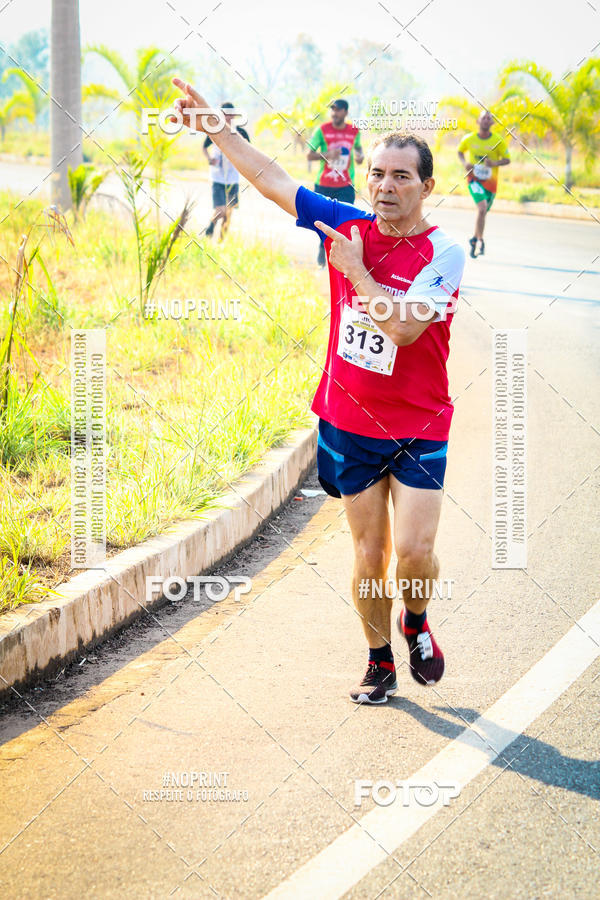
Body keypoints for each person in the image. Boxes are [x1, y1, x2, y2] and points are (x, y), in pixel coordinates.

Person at [172, 78, 465, 705]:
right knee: (371, 552)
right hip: (351, 419)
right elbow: (275, 181)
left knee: (414, 553)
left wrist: (355, 270)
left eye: (402, 177)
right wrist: (218, 130)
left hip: (419, 421)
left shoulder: (444, 250)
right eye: (378, 174)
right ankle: (379, 660)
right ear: (366, 179)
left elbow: (406, 328)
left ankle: (414, 621)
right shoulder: (344, 221)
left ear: (427, 187)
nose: (387, 186)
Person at [307, 99, 364, 266]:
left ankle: (341, 260)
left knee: (344, 223)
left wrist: (360, 157)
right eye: (332, 110)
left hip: (346, 186)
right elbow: (310, 155)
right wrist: (329, 154)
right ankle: (321, 246)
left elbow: (359, 150)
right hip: (324, 184)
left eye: (338, 110)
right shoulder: (322, 130)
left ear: (345, 112)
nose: (334, 113)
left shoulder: (354, 131)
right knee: (323, 221)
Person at [458, 110, 510, 258]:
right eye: (484, 118)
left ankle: (474, 239)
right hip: (473, 179)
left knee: (483, 212)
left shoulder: (498, 140)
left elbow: (507, 159)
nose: (486, 120)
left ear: (492, 123)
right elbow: (460, 152)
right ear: (478, 121)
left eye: (489, 118)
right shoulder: (469, 139)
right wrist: (465, 163)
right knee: (482, 209)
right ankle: (480, 239)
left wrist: (494, 163)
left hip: (491, 183)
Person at [202, 102, 250, 239]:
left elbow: (249, 151)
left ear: (234, 115)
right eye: (225, 114)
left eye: (230, 114)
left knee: (228, 213)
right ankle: (211, 225)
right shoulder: (215, 130)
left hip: (233, 178)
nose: (227, 117)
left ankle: (221, 243)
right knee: (221, 210)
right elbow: (204, 147)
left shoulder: (240, 132)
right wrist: (210, 159)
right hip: (217, 177)